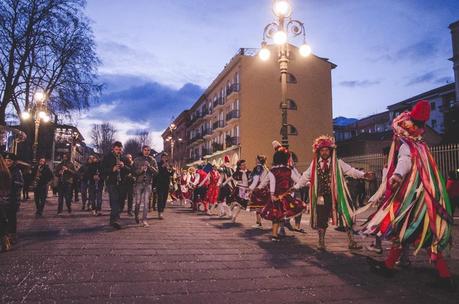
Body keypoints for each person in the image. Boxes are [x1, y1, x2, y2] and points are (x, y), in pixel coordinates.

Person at [364, 100, 455, 290]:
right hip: (428, 197)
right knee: (427, 233)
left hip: (415, 199)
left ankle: (391, 266)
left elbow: (404, 161)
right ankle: (443, 275)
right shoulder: (423, 146)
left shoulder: (408, 145)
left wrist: (397, 175)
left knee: (403, 228)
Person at [294, 136, 374, 250]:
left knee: (347, 216)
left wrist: (363, 175)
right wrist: (296, 186)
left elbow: (350, 170)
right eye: (322, 150)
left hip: (338, 195)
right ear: (318, 151)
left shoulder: (338, 162)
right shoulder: (314, 164)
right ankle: (321, 242)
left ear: (331, 150)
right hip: (322, 196)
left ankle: (352, 241)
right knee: (321, 219)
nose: (324, 152)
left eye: (326, 150)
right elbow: (306, 176)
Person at [261, 148, 306, 241]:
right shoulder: (288, 170)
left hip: (275, 196)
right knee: (287, 211)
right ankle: (283, 229)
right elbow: (298, 181)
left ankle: (274, 235)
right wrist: (303, 184)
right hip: (285, 195)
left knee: (276, 216)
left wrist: (271, 194)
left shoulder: (272, 171)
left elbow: (269, 182)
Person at [101, 141, 127, 229]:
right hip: (112, 182)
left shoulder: (124, 158)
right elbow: (102, 170)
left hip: (122, 183)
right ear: (113, 149)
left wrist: (124, 166)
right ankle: (115, 220)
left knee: (121, 202)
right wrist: (112, 169)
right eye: (116, 149)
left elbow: (131, 170)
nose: (118, 151)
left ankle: (113, 219)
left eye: (120, 150)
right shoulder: (107, 158)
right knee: (114, 200)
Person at [1, 152, 23, 247]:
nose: (7, 162)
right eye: (5, 160)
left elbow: (20, 183)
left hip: (12, 199)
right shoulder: (3, 170)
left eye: (9, 161)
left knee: (11, 217)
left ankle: (12, 235)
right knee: (3, 218)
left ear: (13, 162)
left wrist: (11, 184)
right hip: (3, 199)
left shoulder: (16, 171)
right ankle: (5, 236)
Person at [133, 146, 158, 226]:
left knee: (146, 202)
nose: (146, 152)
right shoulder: (137, 160)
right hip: (139, 183)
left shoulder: (152, 160)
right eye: (145, 150)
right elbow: (133, 172)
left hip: (148, 183)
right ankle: (136, 215)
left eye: (148, 150)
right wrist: (141, 170)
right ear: (142, 150)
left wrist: (149, 167)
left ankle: (144, 220)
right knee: (137, 202)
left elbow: (156, 172)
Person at [248, 155, 270, 229]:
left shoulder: (258, 167)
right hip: (265, 188)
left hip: (258, 188)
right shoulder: (266, 168)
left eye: (256, 159)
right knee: (263, 206)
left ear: (259, 160)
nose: (255, 160)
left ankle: (258, 223)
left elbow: (256, 179)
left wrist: (251, 188)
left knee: (257, 206)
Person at [1, 154, 12, 252]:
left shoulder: (3, 172)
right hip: (2, 199)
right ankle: (4, 243)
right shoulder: (6, 172)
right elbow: (8, 187)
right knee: (2, 221)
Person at [156, 153, 173, 219]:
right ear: (161, 158)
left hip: (166, 183)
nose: (165, 158)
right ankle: (160, 212)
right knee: (160, 198)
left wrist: (172, 170)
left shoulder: (168, 164)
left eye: (166, 157)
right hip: (160, 183)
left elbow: (170, 174)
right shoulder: (158, 164)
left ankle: (162, 210)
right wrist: (163, 166)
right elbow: (157, 171)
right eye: (163, 157)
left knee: (164, 198)